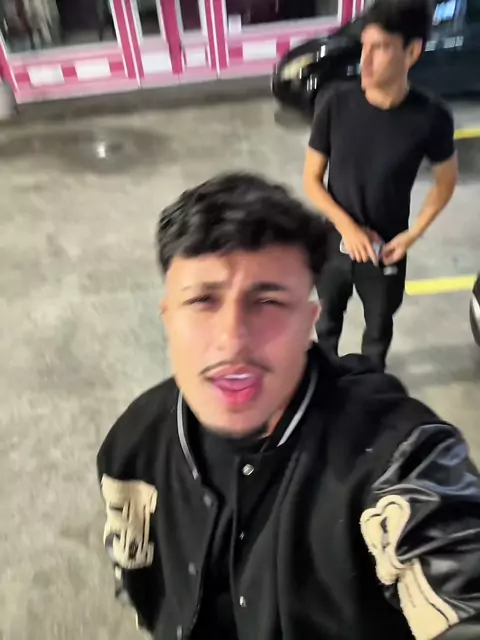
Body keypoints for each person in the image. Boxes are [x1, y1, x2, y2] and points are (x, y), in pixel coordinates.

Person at [97, 172, 480, 640]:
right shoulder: (133, 444)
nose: (233, 340)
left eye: (268, 301)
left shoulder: (396, 454)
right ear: (168, 318)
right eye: (202, 300)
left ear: (309, 322)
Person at [303, 0, 458, 372]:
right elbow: (311, 180)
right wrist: (347, 227)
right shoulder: (335, 103)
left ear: (412, 52)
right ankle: (326, 387)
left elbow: (446, 181)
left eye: (381, 48)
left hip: (387, 250)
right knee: (327, 324)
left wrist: (411, 236)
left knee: (377, 334)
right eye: (365, 47)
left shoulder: (431, 117)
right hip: (335, 243)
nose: (366, 61)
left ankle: (370, 390)